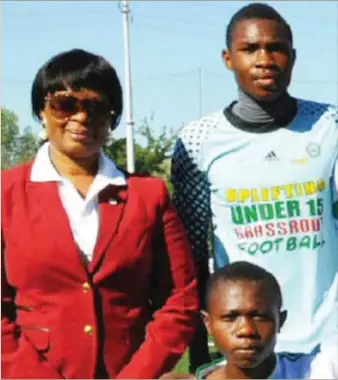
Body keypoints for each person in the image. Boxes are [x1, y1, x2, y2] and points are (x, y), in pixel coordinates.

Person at [1, 48, 198, 379]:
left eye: (96, 107)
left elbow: (179, 299)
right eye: (65, 104)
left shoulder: (148, 197)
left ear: (112, 117)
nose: (81, 117)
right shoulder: (6, 194)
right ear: (42, 110)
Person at [171, 2, 338, 374]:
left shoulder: (331, 125)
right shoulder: (198, 140)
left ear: (293, 57)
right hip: (248, 341)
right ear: (228, 58)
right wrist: (200, 354)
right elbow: (192, 253)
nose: (265, 59)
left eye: (276, 48)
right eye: (250, 49)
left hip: (328, 337)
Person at [161, 262, 338, 379]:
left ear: (280, 321)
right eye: (230, 318)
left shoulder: (319, 370)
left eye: (260, 316)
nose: (246, 330)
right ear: (208, 323)